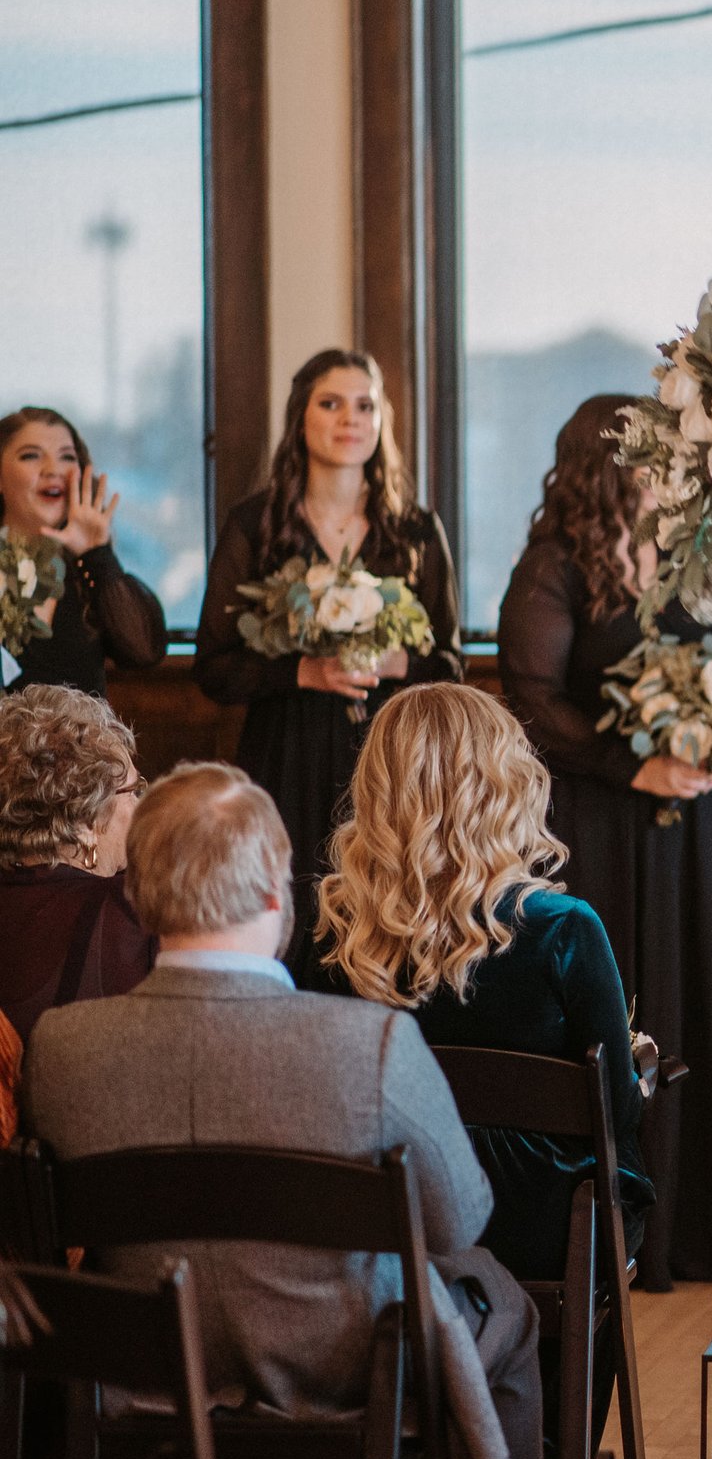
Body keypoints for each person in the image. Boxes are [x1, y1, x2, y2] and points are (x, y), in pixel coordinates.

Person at [22, 762, 545, 1459]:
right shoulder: (369, 1042)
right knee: (506, 1305)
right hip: (347, 1369)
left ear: (135, 894)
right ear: (276, 890)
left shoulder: (62, 1048)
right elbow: (458, 1220)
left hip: (145, 1369)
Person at [497, 396, 712, 1288]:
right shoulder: (553, 566)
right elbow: (531, 697)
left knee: (697, 986)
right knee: (618, 1001)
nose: (670, 464)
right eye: (654, 450)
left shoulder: (693, 549)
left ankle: (704, 1225)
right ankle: (616, 1222)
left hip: (691, 824)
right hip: (602, 819)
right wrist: (634, 765)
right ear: (605, 459)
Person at [317, 683, 653, 1282]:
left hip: (391, 1221)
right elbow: (616, 1111)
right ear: (504, 784)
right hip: (547, 1228)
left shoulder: (336, 932)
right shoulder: (564, 929)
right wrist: (642, 1070)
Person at [195, 349, 461, 984]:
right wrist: (301, 673)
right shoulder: (256, 526)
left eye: (365, 405)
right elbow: (213, 667)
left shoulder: (415, 531)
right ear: (301, 418)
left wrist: (397, 661)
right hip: (287, 751)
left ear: (381, 420)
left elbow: (449, 665)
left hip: (389, 758)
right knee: (289, 913)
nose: (350, 419)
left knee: (387, 918)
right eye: (331, 403)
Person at [0, 686, 150, 1141]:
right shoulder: (131, 918)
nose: (142, 806)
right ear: (86, 824)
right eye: (133, 791)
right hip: (91, 1167)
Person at [0, 407, 166, 695]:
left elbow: (144, 653)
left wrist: (97, 554)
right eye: (31, 456)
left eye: (67, 457)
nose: (53, 470)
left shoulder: (87, 573)